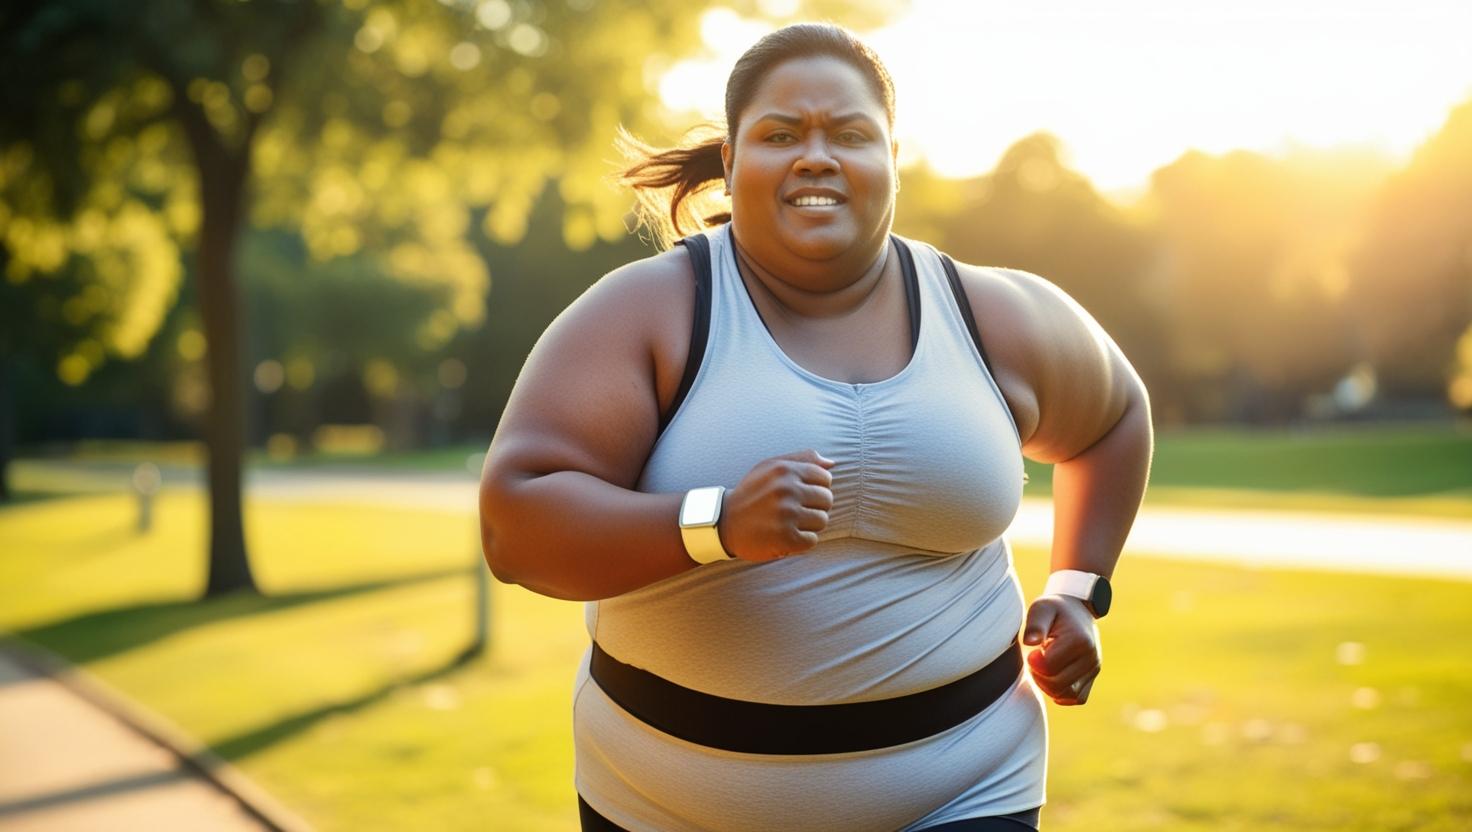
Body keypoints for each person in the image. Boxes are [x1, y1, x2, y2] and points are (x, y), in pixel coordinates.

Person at [479, 22, 1153, 832]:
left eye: (851, 134)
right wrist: (715, 523)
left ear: (892, 159)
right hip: (669, 808)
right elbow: (515, 525)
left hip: (966, 793)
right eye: (781, 134)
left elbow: (1114, 417)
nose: (816, 156)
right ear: (731, 161)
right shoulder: (651, 313)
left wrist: (1078, 592)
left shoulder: (990, 313)